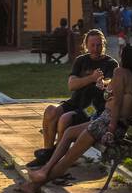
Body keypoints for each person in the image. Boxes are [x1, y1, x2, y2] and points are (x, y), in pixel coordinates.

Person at [21, 44, 132, 193]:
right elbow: (121, 99)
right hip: (111, 123)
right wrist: (106, 88)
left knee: (68, 159)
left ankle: (37, 183)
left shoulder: (120, 72)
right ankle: (45, 169)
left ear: (124, 57)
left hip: (108, 124)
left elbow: (117, 104)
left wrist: (110, 130)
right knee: (69, 132)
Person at [31, 30, 117, 166]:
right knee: (50, 111)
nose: (96, 49)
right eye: (93, 45)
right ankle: (48, 152)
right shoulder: (81, 61)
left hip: (92, 108)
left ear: (103, 45)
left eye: (99, 45)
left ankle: (56, 158)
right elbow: (72, 85)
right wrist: (91, 78)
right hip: (75, 102)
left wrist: (103, 82)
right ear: (86, 45)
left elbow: (110, 81)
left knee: (64, 119)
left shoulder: (110, 64)